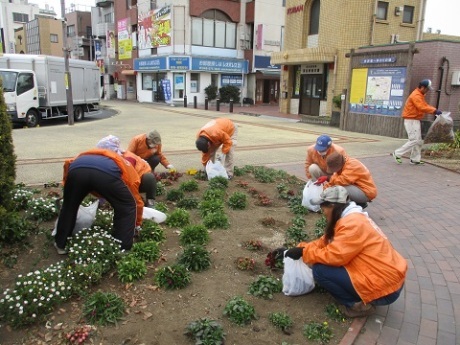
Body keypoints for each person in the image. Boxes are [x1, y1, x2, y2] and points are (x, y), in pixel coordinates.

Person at [274, 186, 407, 317]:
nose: (322, 212)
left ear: (332, 206)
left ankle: (357, 306)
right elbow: (324, 242)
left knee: (320, 271)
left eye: (323, 207)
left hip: (386, 288)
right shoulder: (349, 217)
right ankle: (362, 294)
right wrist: (298, 249)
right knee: (326, 263)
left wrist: (304, 253)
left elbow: (334, 257)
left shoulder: (352, 225)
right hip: (386, 277)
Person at [54, 135, 144, 254]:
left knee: (70, 205)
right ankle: (122, 248)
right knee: (127, 205)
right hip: (106, 173)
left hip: (76, 170)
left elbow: (68, 167)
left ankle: (61, 244)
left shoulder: (87, 154)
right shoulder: (123, 162)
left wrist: (69, 193)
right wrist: (137, 223)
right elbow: (134, 197)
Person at [393, 79, 441, 165]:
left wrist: (435, 111)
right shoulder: (416, 95)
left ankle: (415, 159)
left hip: (414, 119)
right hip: (411, 120)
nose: (428, 91)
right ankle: (397, 153)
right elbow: (422, 107)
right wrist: (434, 111)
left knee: (418, 141)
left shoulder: (420, 95)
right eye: (427, 89)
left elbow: (424, 106)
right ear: (422, 87)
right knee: (414, 140)